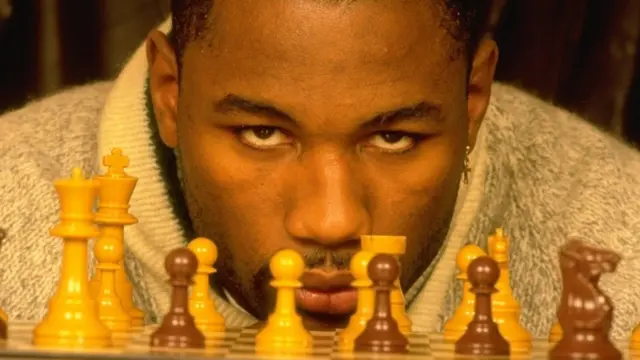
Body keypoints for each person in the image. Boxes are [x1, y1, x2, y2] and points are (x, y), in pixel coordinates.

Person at [1, 0, 639, 339]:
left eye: (393, 137)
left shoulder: (625, 236)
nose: (330, 222)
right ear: (171, 90)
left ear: (474, 97)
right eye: (262, 132)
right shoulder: (11, 206)